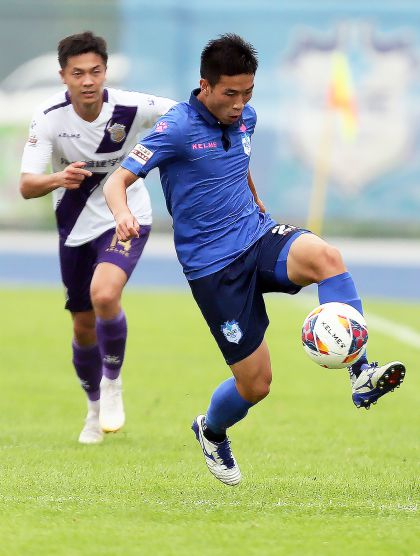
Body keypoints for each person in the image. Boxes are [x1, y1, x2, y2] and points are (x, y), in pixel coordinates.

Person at [103, 34, 406, 485]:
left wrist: (256, 198)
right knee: (256, 385)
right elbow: (118, 180)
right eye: (230, 93)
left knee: (326, 257)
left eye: (248, 93)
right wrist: (122, 213)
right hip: (214, 269)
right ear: (205, 85)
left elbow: (236, 164)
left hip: (257, 236)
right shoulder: (177, 127)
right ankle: (211, 430)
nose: (240, 104)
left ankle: (361, 373)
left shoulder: (247, 118)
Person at [19, 31, 176, 445]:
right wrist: (58, 178)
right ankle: (93, 410)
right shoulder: (48, 117)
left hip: (126, 217)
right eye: (78, 73)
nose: (88, 81)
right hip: (74, 227)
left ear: (105, 72)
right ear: (63, 76)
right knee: (83, 326)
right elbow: (27, 185)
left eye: (95, 71)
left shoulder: (131, 107)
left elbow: (183, 115)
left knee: (105, 295)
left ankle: (113, 383)